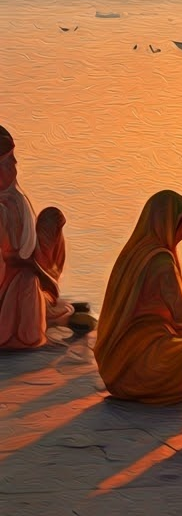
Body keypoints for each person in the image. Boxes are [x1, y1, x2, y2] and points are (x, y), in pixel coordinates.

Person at [93, 190, 182, 404]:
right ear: (167, 223)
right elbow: (181, 317)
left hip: (116, 367)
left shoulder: (134, 253)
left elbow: (153, 307)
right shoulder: (161, 260)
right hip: (139, 367)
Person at [0, 126, 74, 350]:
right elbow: (14, 259)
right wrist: (44, 279)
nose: (15, 165)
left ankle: (43, 305)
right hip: (12, 284)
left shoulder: (14, 198)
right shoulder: (4, 207)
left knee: (51, 218)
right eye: (8, 161)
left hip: (20, 276)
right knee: (29, 282)